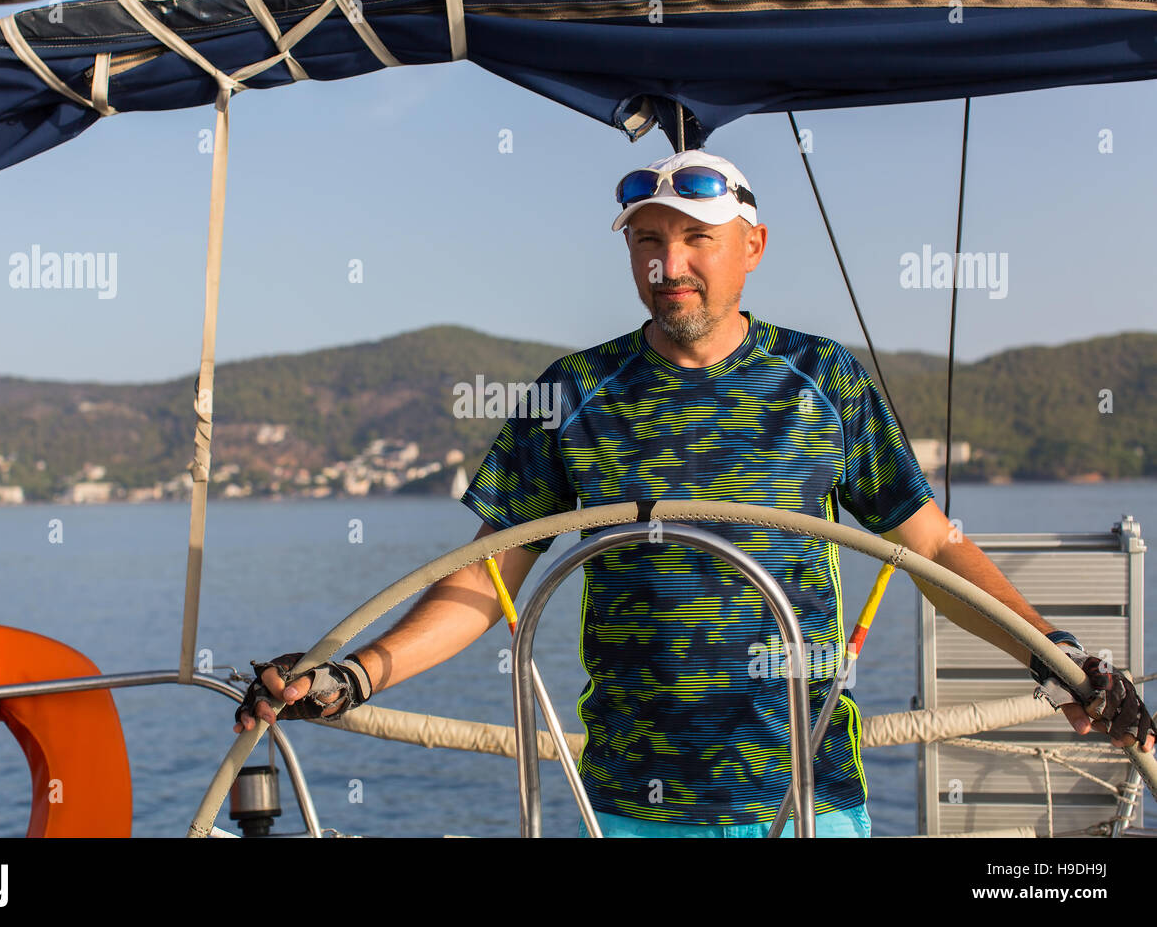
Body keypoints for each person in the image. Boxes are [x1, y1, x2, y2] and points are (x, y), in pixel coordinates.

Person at [236, 149, 1154, 837]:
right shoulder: (572, 393)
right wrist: (354, 675)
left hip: (807, 793)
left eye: (694, 240)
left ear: (751, 246)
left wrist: (1057, 658)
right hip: (639, 803)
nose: (667, 265)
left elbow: (934, 551)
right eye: (647, 241)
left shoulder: (822, 379)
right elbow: (484, 583)